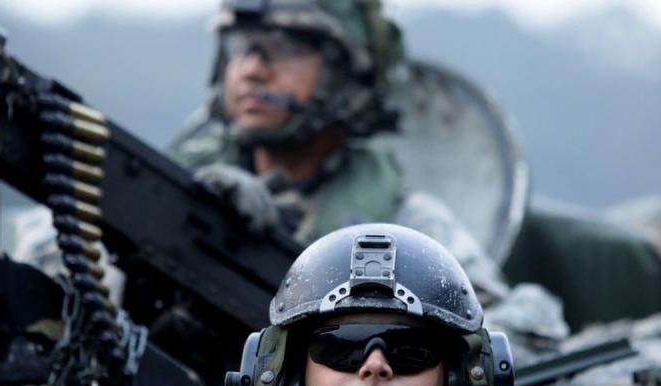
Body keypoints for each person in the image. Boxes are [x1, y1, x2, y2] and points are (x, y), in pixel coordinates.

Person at [173, 0, 570, 363]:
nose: (252, 69)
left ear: (344, 74)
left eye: (285, 50)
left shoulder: (404, 221)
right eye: (239, 48)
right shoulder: (181, 184)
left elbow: (527, 332)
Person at [225, 223, 515, 386]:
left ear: (457, 377)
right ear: (292, 377)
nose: (375, 366)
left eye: (409, 348)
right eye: (342, 345)